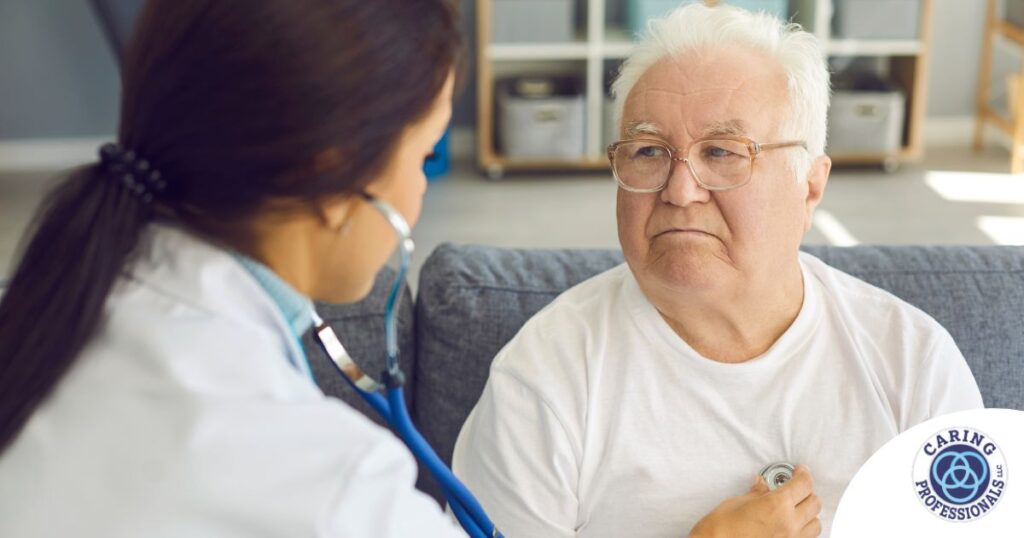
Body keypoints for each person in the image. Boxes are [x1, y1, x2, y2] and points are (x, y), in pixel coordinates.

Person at [0, 1, 819, 536]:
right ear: (333, 178)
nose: (681, 189)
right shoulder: (333, 487)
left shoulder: (63, 307)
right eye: (424, 155)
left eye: (723, 154)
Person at [451, 4, 985, 538]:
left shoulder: (914, 366)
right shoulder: (544, 380)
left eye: (724, 153)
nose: (680, 191)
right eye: (648, 150)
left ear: (810, 187)